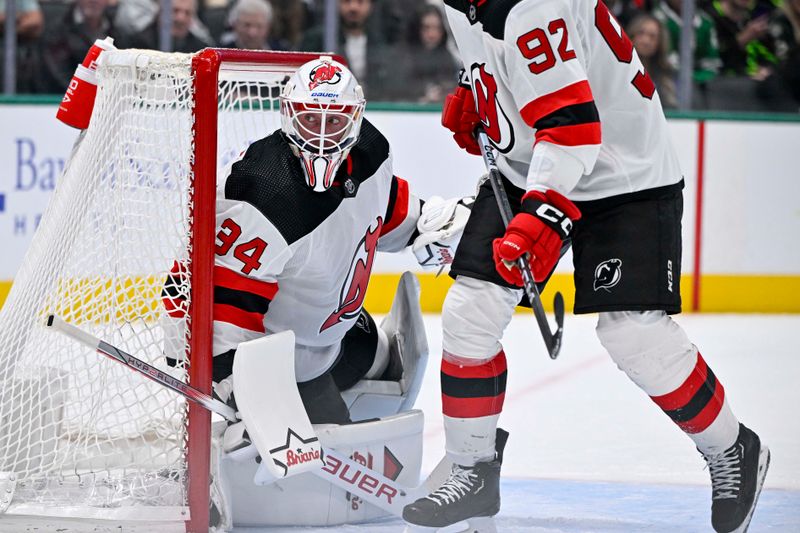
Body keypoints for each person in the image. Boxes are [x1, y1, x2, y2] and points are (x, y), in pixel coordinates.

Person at [402, 2, 770, 533]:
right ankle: (472, 469)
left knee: (634, 334)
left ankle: (732, 446)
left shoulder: (530, 7)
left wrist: (539, 214)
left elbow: (574, 124)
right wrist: (479, 88)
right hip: (532, 160)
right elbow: (515, 64)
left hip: (624, 173)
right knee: (469, 310)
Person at [163, 56, 470, 427]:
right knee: (338, 460)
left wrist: (428, 224)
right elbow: (229, 307)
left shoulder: (371, 149)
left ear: (355, 119)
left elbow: (379, 209)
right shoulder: (262, 195)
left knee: (389, 363)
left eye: (335, 121)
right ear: (288, 115)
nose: (322, 136)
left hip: (333, 334)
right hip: (285, 360)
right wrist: (237, 389)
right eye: (310, 119)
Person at [40, 0, 116, 93]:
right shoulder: (56, 33)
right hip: (69, 100)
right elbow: (59, 78)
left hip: (110, 100)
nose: (93, 1)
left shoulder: (117, 29)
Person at [400, 4, 460, 104]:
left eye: (437, 28)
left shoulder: (447, 58)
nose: (432, 34)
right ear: (417, 28)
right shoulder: (403, 57)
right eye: (426, 28)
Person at [628, 13, 678, 108]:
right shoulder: (621, 70)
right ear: (632, 36)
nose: (646, 41)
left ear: (659, 43)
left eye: (652, 36)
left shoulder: (666, 75)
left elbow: (672, 106)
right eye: (641, 33)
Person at [218, 0, 286, 50]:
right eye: (247, 25)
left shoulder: (283, 52)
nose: (252, 33)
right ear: (235, 25)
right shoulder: (221, 52)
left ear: (268, 27)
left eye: (259, 26)